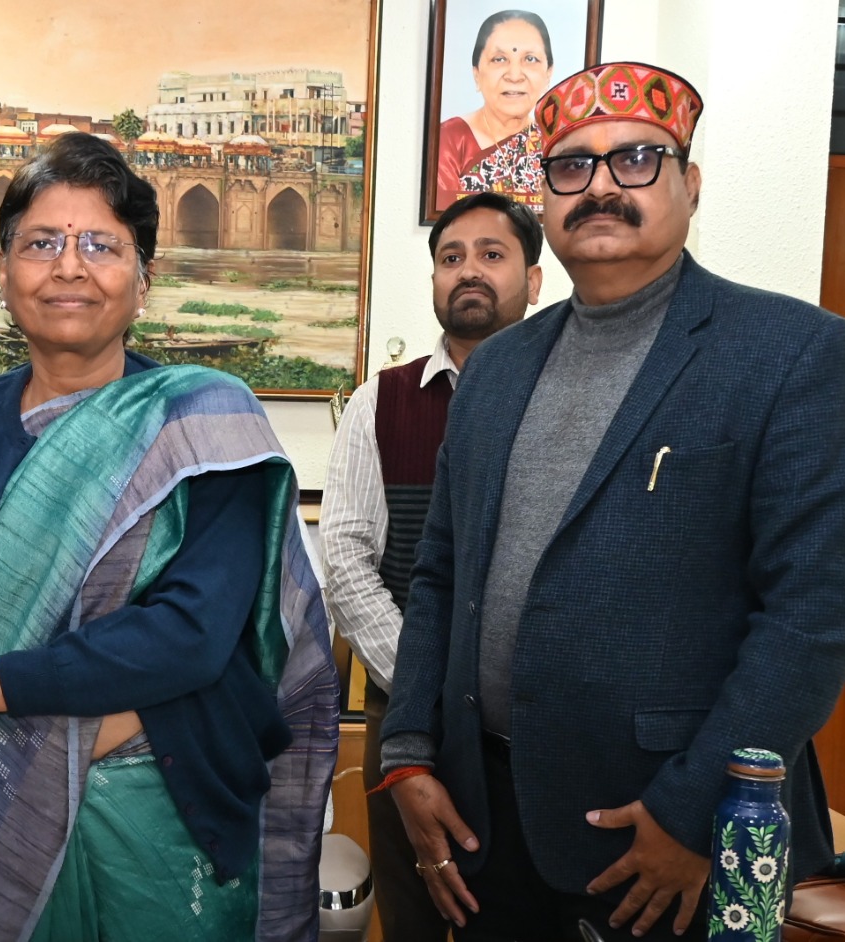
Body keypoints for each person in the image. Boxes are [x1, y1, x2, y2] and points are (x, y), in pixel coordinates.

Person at [0, 132, 338, 941]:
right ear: (3, 272)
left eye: (101, 246)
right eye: (41, 243)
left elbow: (190, 635)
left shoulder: (203, 423)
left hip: (155, 820)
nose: (69, 267)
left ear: (144, 281)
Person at [383, 61, 845, 942]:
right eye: (572, 167)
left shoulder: (790, 352)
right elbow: (440, 576)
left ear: (691, 184)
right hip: (488, 821)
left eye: (638, 160)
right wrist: (408, 753)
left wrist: (695, 811)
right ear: (546, 198)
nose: (602, 187)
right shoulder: (496, 367)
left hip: (670, 834)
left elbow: (816, 615)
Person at [320, 191, 541, 942]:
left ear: (533, 280)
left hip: (531, 728)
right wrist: (429, 687)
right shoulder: (380, 403)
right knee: (413, 916)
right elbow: (347, 561)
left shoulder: (570, 404)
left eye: (491, 254)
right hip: (407, 720)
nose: (468, 270)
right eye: (451, 257)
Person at [436, 9, 555, 211]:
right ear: (476, 74)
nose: (515, 76)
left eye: (530, 59)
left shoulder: (556, 146)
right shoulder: (449, 140)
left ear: (548, 74)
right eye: (499, 59)